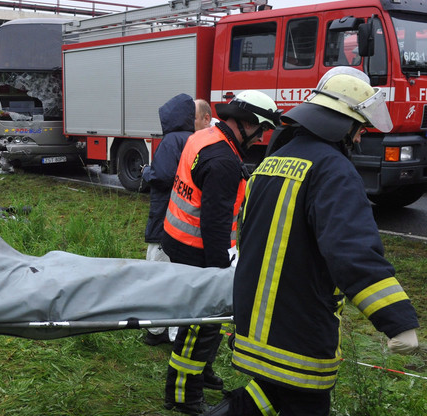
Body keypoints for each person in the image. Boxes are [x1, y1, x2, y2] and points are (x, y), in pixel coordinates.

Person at [205, 67, 420, 416]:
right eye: (359, 128)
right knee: (300, 400)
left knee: (270, 395)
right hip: (298, 330)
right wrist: (398, 321)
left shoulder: (271, 163)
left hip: (254, 320)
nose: (359, 138)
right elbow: (352, 252)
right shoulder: (333, 170)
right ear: (344, 125)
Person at [162, 91, 281, 415]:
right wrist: (222, 269)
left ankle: (203, 370)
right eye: (262, 129)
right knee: (200, 323)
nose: (262, 137)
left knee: (209, 320)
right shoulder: (224, 161)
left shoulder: (204, 136)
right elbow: (214, 225)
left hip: (178, 238)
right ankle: (183, 394)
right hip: (198, 249)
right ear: (247, 123)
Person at [142, 94, 211, 346]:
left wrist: (146, 172)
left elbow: (162, 176)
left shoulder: (170, 141)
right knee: (180, 279)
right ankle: (177, 332)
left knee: (158, 277)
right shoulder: (197, 140)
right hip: (187, 225)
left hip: (164, 221)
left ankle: (157, 332)